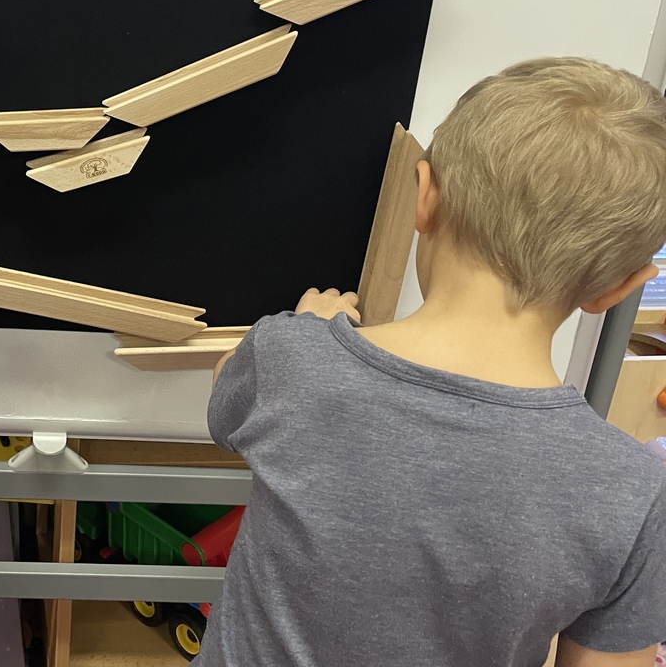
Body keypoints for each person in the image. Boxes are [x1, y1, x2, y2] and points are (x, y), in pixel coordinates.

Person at [201, 58, 666, 667]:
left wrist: (303, 330)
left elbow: (225, 400)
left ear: (425, 198)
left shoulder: (291, 360)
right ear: (621, 287)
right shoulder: (637, 492)